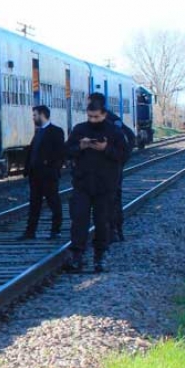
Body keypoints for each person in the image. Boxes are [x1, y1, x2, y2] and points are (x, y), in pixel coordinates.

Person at [61, 100, 127, 273]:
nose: (92, 120)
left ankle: (100, 255)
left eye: (96, 117)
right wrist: (80, 147)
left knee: (102, 221)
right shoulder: (80, 129)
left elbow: (124, 155)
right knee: (79, 221)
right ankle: (77, 255)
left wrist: (106, 148)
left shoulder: (114, 132)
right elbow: (67, 152)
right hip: (83, 184)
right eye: (90, 116)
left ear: (104, 115)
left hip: (106, 185)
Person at [88, 92, 134, 242]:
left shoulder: (113, 121)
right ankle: (107, 230)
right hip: (99, 170)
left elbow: (129, 139)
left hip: (111, 170)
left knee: (112, 200)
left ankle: (114, 230)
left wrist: (118, 162)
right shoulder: (96, 121)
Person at [20, 105, 66, 240]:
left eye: (35, 115)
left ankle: (55, 231)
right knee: (34, 204)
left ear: (42, 115)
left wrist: (52, 167)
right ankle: (30, 232)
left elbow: (59, 153)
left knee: (54, 203)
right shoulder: (38, 132)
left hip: (48, 175)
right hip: (35, 175)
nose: (33, 118)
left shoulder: (56, 131)